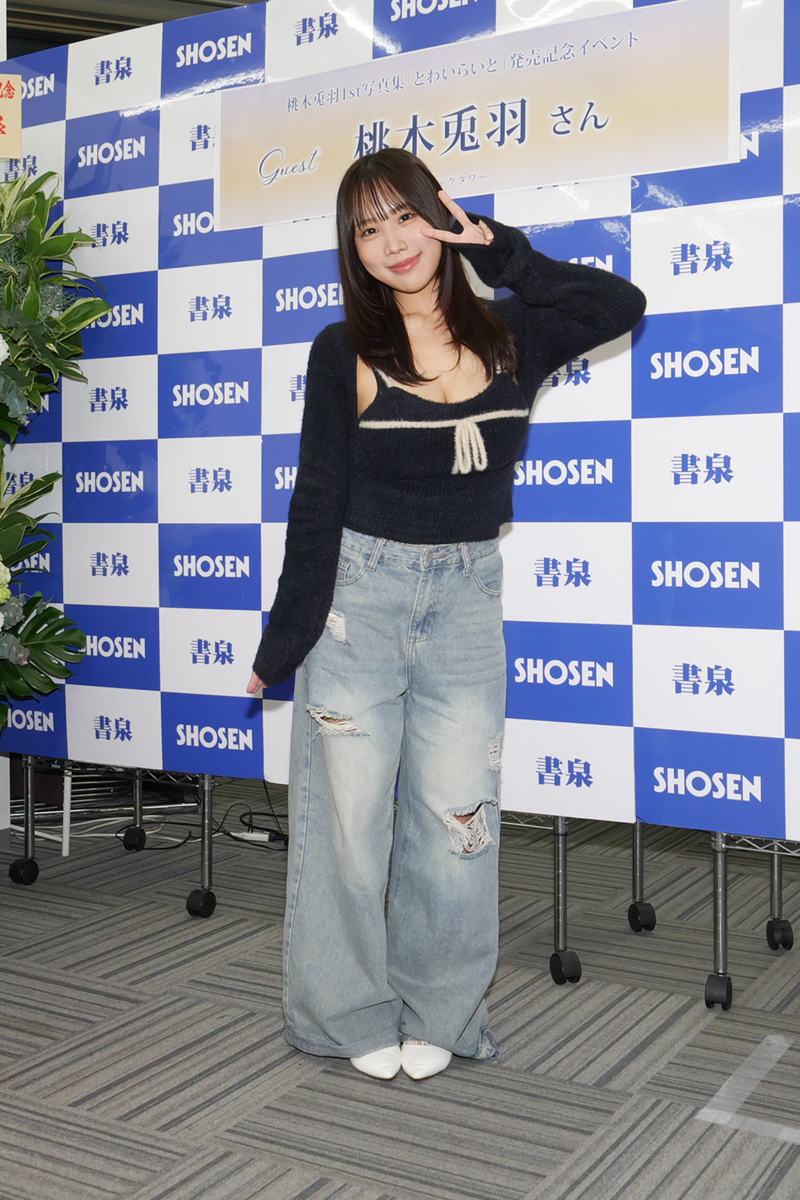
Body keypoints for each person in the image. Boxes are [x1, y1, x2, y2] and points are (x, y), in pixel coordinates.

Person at [248, 148, 646, 1081]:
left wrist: (502, 252)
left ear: (440, 215)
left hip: (467, 597)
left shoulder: (513, 334)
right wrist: (287, 636)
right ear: (351, 248)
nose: (392, 242)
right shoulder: (342, 351)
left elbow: (619, 305)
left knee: (456, 820)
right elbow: (317, 498)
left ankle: (442, 1009)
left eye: (405, 216)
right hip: (358, 598)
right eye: (368, 228)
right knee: (348, 826)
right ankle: (345, 1013)